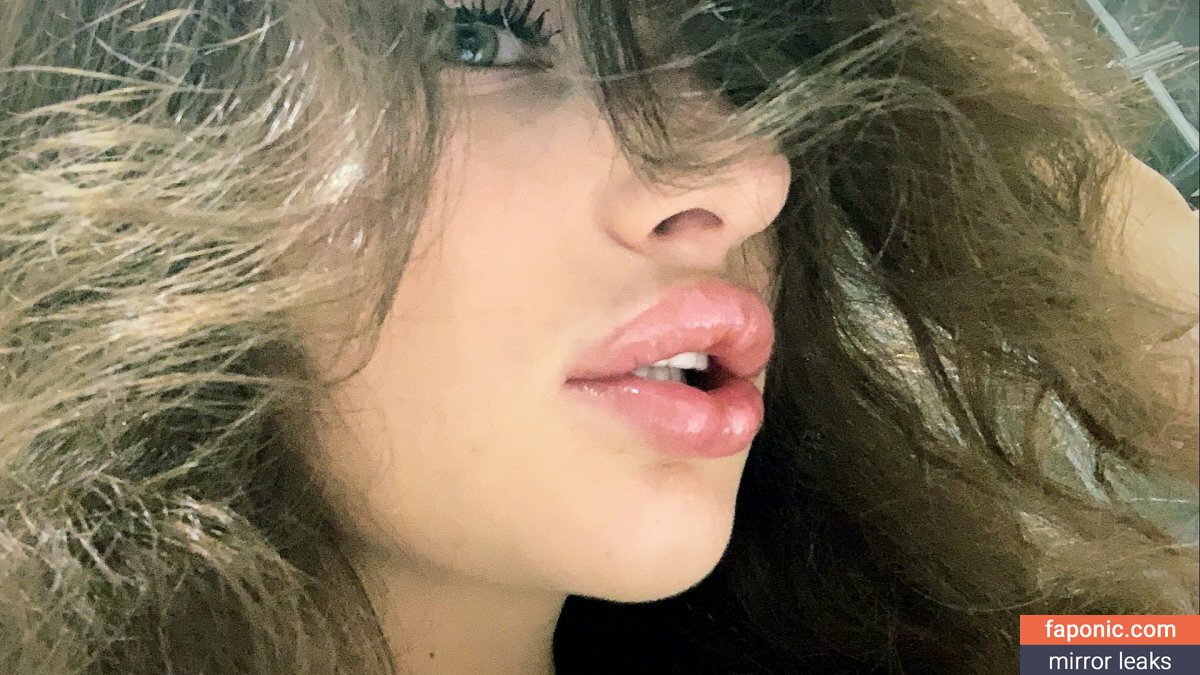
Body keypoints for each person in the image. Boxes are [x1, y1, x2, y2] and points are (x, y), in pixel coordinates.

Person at [0, 0, 1195, 672]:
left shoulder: (905, 639)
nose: (751, 173)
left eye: (733, 67)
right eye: (478, 35)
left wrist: (1048, 175)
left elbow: (1158, 652)